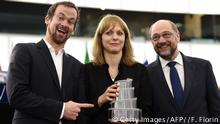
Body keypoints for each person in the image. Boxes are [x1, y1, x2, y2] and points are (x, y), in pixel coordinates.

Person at [6, 1, 93, 124]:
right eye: (61, 17)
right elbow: (17, 96)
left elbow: (80, 109)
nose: (64, 24)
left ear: (73, 29)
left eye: (70, 21)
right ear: (47, 19)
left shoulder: (77, 66)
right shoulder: (24, 51)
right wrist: (61, 109)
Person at [144, 19, 220, 123]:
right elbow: (145, 114)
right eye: (156, 37)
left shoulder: (203, 67)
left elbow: (216, 110)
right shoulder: (145, 74)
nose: (161, 40)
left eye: (166, 34)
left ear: (178, 36)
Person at [84, 14, 148, 124]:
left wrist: (134, 122)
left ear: (125, 38)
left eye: (120, 33)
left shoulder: (140, 70)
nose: (115, 37)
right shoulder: (86, 70)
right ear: (100, 38)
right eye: (109, 33)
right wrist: (100, 100)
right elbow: (80, 112)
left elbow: (147, 110)